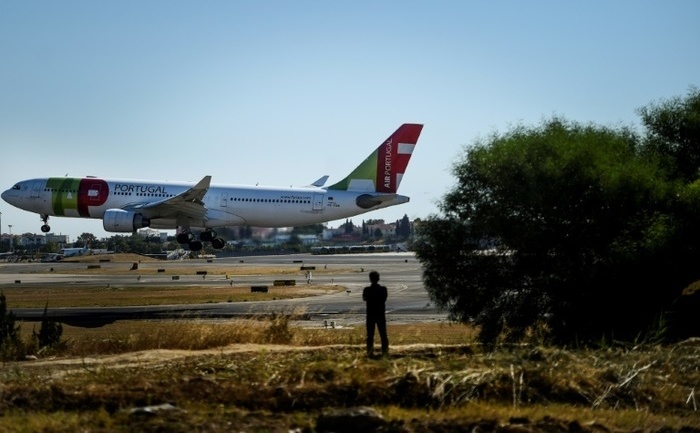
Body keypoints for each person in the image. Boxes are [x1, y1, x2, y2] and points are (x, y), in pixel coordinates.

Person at [363, 270, 388, 357]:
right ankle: (385, 353)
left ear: (370, 279)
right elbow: (384, 299)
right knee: (383, 335)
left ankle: (370, 353)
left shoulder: (367, 290)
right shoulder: (383, 289)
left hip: (370, 315)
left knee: (370, 336)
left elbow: (364, 298)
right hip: (380, 314)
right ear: (378, 278)